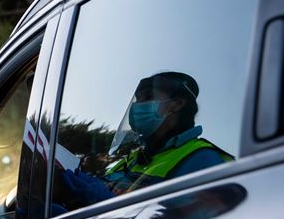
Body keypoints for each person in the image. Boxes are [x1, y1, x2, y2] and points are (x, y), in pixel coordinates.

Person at [59, 72, 233, 208]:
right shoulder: (132, 159)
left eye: (148, 97)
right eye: (137, 99)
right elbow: (99, 189)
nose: (137, 106)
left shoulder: (204, 160)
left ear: (177, 104)